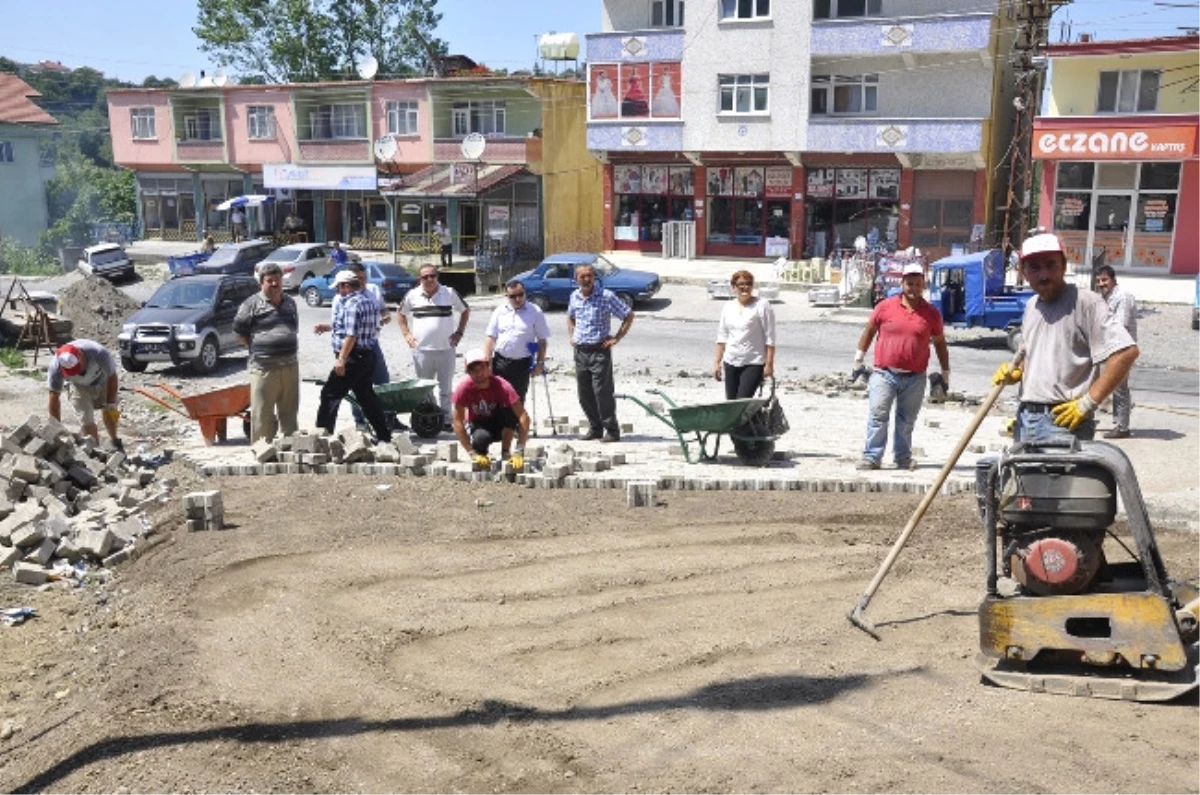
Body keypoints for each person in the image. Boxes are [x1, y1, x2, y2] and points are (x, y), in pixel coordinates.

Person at [993, 233, 1138, 444]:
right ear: (1022, 271)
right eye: (1034, 267)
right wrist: (1017, 371)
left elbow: (1126, 352)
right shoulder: (1032, 306)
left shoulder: (1086, 303)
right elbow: (1033, 353)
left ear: (1064, 265)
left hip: (1063, 421)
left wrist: (1088, 403)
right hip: (1026, 416)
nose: (1043, 275)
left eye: (1050, 264)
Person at [853, 261, 949, 470]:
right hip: (884, 373)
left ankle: (902, 458)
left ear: (923, 284)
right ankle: (872, 457)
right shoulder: (885, 307)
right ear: (902, 284)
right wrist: (858, 359)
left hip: (915, 377)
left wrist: (945, 373)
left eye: (917, 284)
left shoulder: (931, 313)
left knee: (906, 421)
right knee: (878, 415)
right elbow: (869, 332)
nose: (913, 288)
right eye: (909, 284)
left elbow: (940, 344)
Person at [313, 270, 392, 442]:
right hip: (367, 356)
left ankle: (321, 438)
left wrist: (341, 359)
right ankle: (384, 436)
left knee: (330, 394)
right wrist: (327, 328)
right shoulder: (367, 301)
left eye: (339, 287)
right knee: (366, 397)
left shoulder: (351, 304)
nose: (337, 291)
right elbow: (353, 328)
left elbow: (351, 335)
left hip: (352, 357)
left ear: (346, 286)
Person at [233, 262, 300, 442]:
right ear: (261, 283)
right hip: (263, 369)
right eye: (269, 281)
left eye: (277, 280)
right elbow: (240, 333)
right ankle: (262, 450)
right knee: (262, 413)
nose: (274, 284)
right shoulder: (251, 304)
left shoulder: (290, 303)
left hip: (290, 367)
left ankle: (290, 449)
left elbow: (294, 329)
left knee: (290, 412)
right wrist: (260, 349)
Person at [567, 262, 634, 442]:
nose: (587, 279)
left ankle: (611, 430)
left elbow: (628, 315)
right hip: (581, 352)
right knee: (584, 394)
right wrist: (572, 335)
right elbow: (571, 317)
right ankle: (595, 428)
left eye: (590, 275)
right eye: (583, 276)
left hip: (599, 351)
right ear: (576, 279)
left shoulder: (606, 296)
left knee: (602, 392)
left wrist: (616, 338)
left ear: (594, 277)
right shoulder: (574, 296)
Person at [397, 263, 470, 427]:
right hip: (422, 351)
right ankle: (430, 418)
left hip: (446, 349)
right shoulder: (412, 295)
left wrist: (459, 332)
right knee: (425, 389)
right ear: (420, 279)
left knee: (446, 389)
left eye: (432, 276)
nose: (429, 279)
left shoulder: (449, 293)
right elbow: (401, 314)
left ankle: (445, 420)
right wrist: (407, 334)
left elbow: (465, 310)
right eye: (425, 277)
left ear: (437, 277)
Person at [452, 349, 530, 470]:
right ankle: (481, 454)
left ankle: (505, 452)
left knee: (510, 413)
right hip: (479, 424)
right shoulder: (463, 388)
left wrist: (520, 450)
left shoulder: (502, 385)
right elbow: (457, 421)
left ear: (488, 367)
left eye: (482, 367)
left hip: (499, 422)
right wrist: (471, 452)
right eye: (474, 370)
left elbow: (523, 416)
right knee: (481, 439)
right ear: (468, 372)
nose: (479, 373)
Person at [483, 279, 550, 404]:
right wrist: (488, 364)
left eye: (521, 295)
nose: (518, 299)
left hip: (522, 365)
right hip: (500, 362)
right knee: (497, 400)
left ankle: (515, 424)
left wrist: (540, 363)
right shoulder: (499, 311)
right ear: (507, 296)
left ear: (525, 293)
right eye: (513, 296)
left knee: (517, 401)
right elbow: (490, 338)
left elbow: (542, 340)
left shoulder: (535, 312)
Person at [344, 259, 392, 429]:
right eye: (358, 278)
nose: (362, 281)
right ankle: (359, 421)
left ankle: (388, 417)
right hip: (354, 347)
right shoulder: (344, 296)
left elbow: (383, 308)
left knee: (383, 381)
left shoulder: (373, 290)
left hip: (372, 343)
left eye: (364, 277)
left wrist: (386, 315)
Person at [712, 270, 776, 399]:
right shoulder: (728, 307)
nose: (745, 287)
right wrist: (717, 363)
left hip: (753, 362)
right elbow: (722, 336)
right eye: (741, 284)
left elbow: (770, 338)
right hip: (731, 361)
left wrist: (769, 364)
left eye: (748, 284)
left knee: (742, 402)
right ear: (734, 287)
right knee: (731, 403)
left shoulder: (762, 305)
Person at [46, 340, 121, 447]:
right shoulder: (56, 367)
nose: (77, 372)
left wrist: (111, 403)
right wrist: (56, 428)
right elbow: (54, 397)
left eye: (77, 368)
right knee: (86, 419)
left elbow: (113, 377)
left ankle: (115, 441)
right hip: (78, 386)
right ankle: (95, 451)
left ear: (80, 354)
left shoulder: (98, 353)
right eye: (71, 371)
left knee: (110, 411)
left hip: (103, 381)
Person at [1095, 264, 1137, 439]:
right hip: (1111, 347)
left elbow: (1120, 324)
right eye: (1098, 281)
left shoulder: (1123, 297)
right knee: (1113, 385)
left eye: (1104, 280)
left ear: (1113, 280)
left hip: (1122, 348)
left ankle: (1122, 427)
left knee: (1119, 387)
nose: (1101, 284)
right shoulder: (1106, 296)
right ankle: (1117, 422)